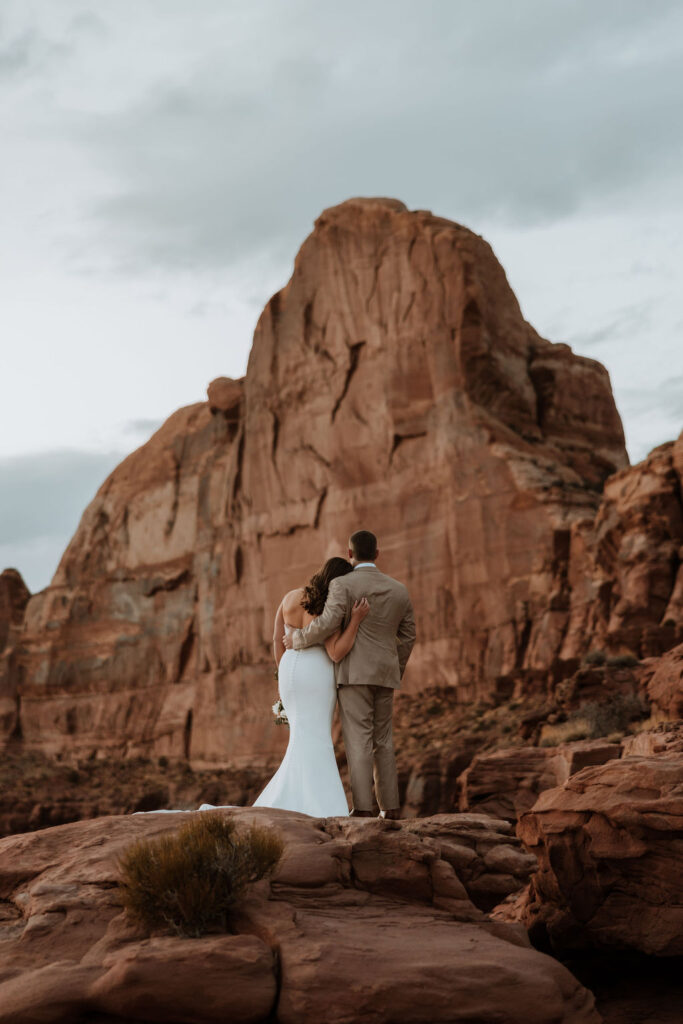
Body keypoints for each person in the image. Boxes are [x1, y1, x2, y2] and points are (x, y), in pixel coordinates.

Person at [284, 530, 416, 819]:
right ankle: (390, 808)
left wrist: (299, 639)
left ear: (350, 554)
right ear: (377, 554)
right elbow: (408, 636)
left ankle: (364, 808)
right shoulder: (399, 590)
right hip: (385, 674)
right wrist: (396, 666)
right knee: (384, 740)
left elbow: (328, 623)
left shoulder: (342, 585)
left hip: (354, 674)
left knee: (358, 741)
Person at [253, 556, 370, 817]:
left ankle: (290, 798)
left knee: (301, 736)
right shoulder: (329, 607)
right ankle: (320, 806)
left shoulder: (290, 597)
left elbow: (276, 639)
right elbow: (336, 652)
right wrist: (356, 621)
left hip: (289, 671)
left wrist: (285, 674)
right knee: (317, 738)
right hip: (316, 675)